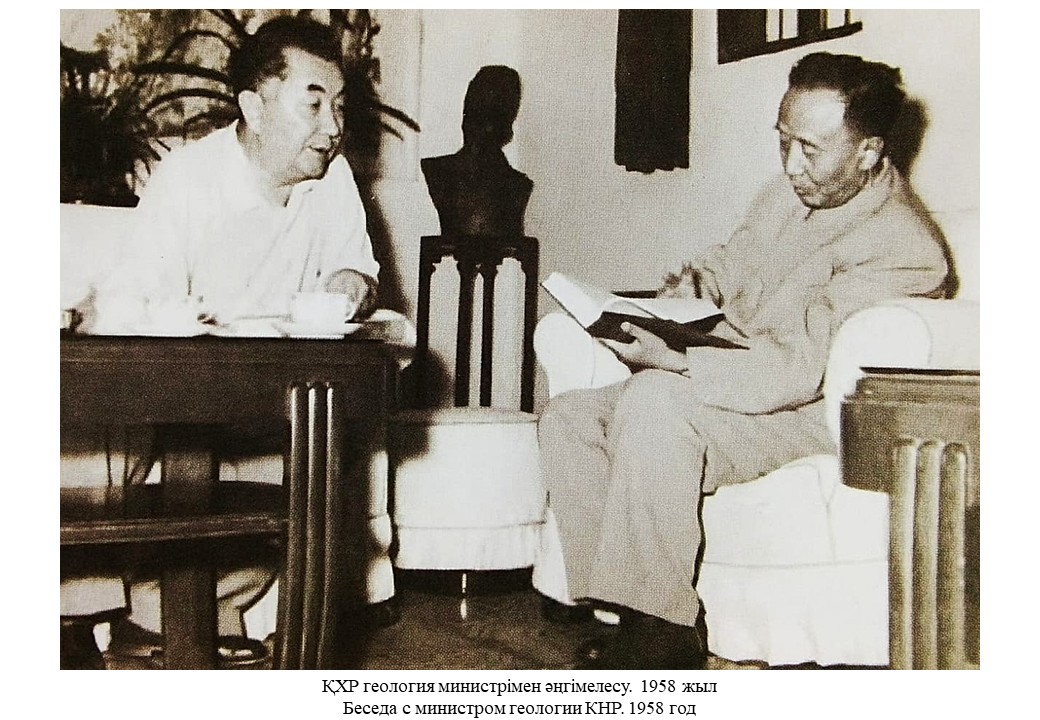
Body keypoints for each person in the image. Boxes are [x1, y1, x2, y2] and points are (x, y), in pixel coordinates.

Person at [536, 52, 951, 670]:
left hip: (805, 414)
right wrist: (688, 289)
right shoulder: (786, 197)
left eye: (809, 150)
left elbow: (797, 369)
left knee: (654, 398)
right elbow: (732, 262)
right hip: (734, 383)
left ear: (867, 152)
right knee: (569, 417)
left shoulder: (903, 248)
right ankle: (621, 608)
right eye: (783, 141)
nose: (790, 165)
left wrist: (674, 357)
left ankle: (663, 632)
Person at [61, 15, 390, 668]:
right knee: (105, 441)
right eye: (313, 104)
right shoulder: (189, 178)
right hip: (170, 394)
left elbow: (359, 273)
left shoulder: (333, 180)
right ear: (254, 108)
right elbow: (135, 303)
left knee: (323, 450)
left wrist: (353, 285)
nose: (332, 126)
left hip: (272, 401)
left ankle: (196, 628)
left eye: (339, 107)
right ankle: (80, 619)